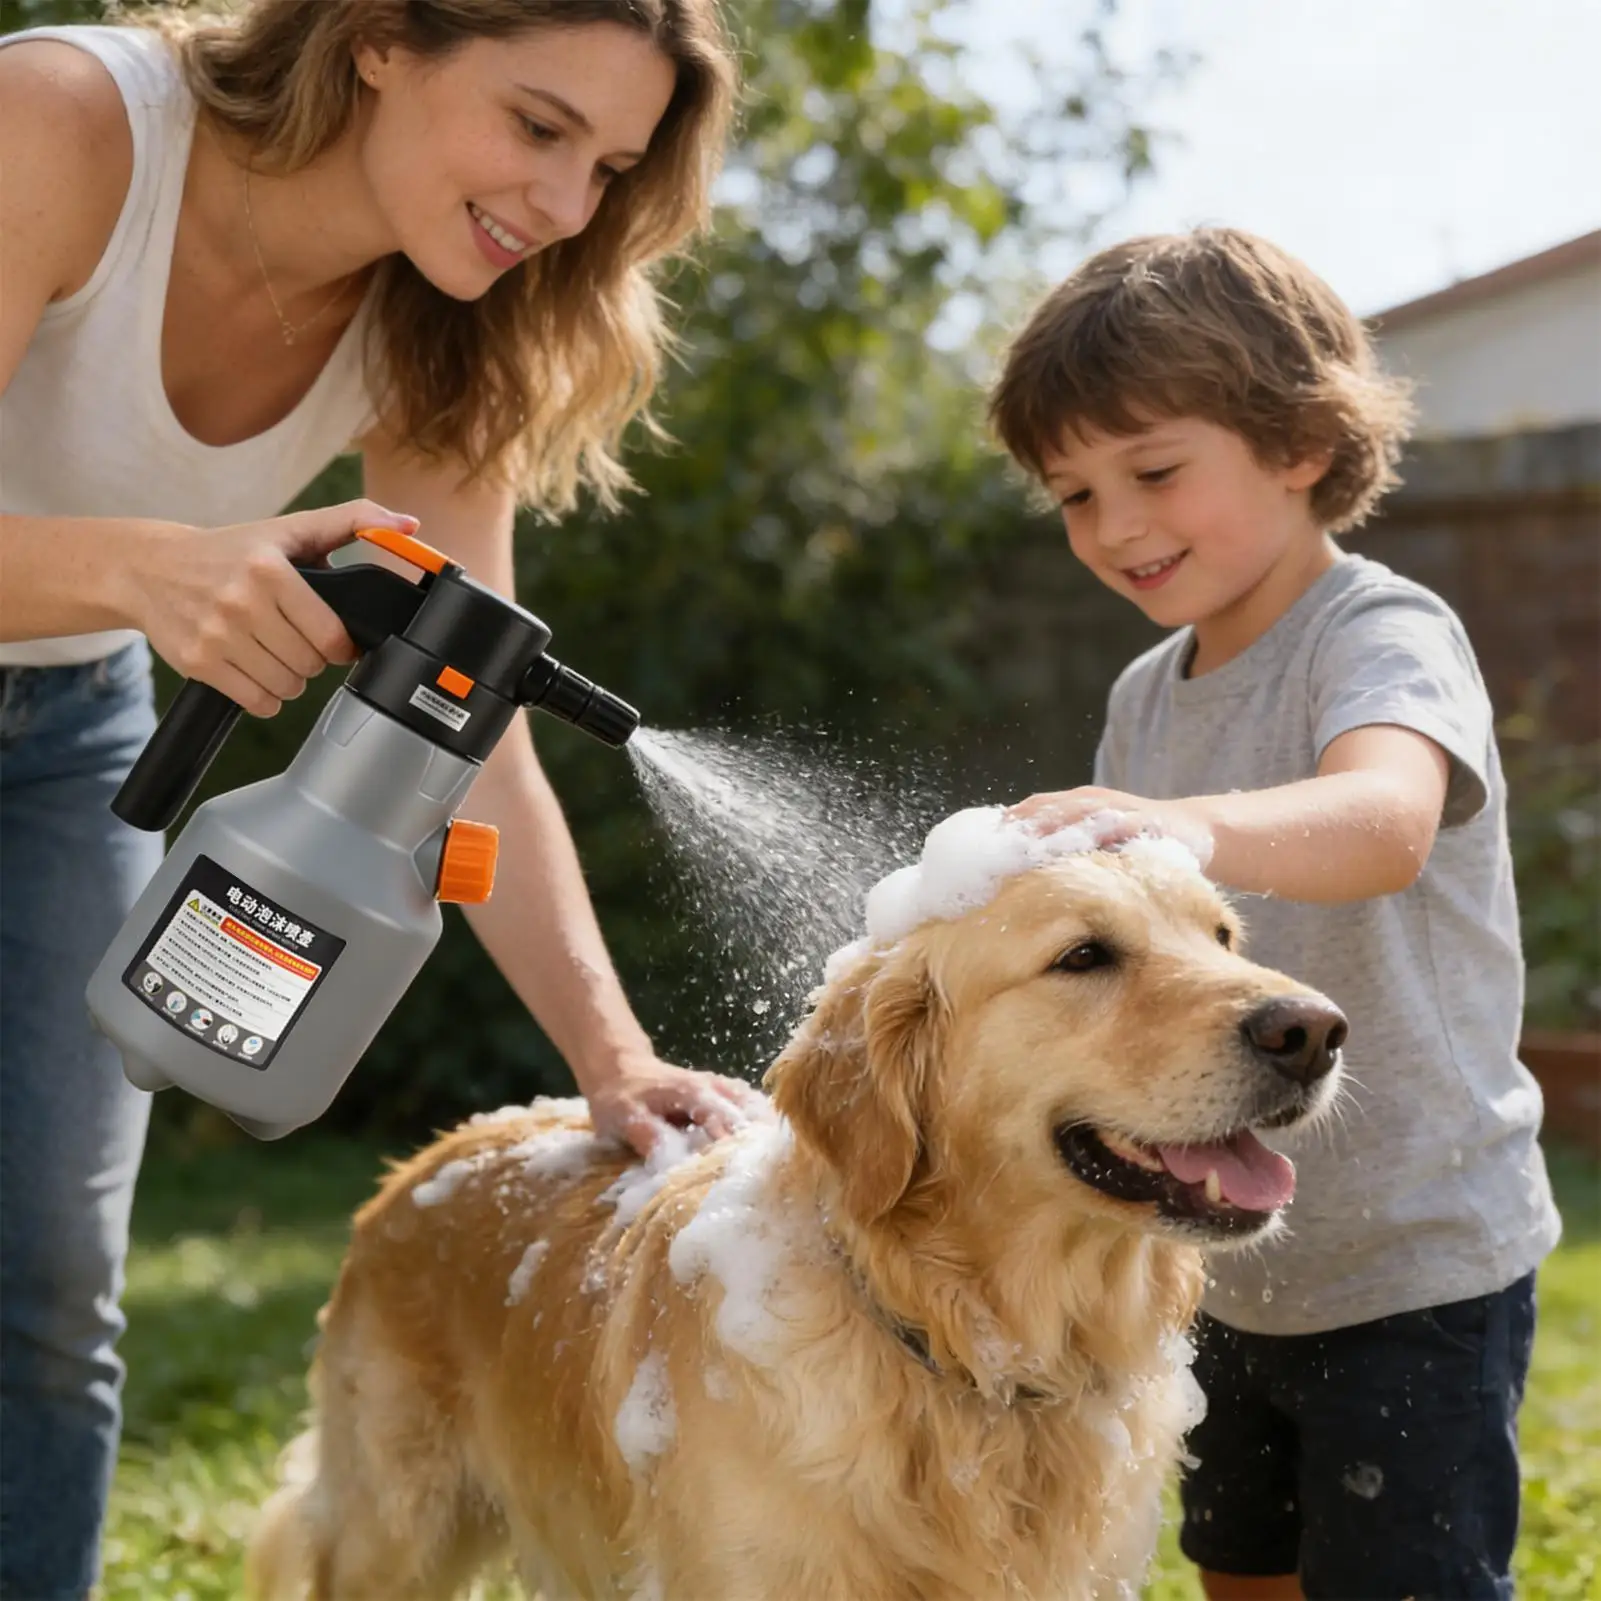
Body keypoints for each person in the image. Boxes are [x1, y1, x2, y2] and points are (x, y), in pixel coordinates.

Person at [0, 2, 763, 1594]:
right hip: (99, 635)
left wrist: (612, 1061)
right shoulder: (70, 126)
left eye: (608, 166)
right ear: (381, 41)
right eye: (538, 127)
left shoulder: (438, 318)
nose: (565, 207)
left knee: (50, 1283)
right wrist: (145, 568)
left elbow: (472, 720)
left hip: (65, 728)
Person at [987, 227, 1561, 1600]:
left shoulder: (1377, 634)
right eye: (1073, 494)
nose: (1115, 526)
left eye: (1155, 470)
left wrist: (1187, 827)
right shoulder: (1146, 692)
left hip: (1413, 1262)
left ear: (1299, 442)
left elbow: (1385, 824)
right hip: (1214, 1255)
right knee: (1239, 1570)